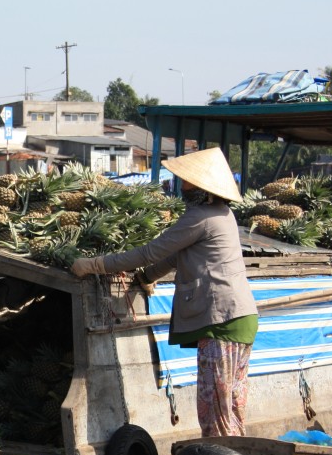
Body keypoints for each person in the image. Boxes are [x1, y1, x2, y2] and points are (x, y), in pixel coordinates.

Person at [71, 148, 259, 437]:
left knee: (215, 411)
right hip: (239, 316)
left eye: (185, 182)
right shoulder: (223, 214)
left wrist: (93, 265)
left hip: (222, 319)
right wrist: (147, 277)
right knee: (230, 406)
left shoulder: (201, 217)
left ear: (200, 189)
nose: (179, 187)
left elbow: (150, 252)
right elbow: (174, 257)